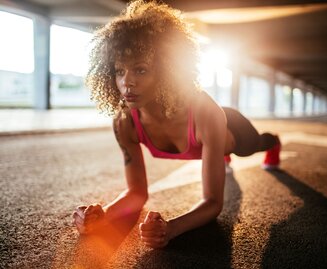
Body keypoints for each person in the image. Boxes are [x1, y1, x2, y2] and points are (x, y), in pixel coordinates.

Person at [72, 0, 281, 249]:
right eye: (119, 71)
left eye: (140, 70)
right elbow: (137, 194)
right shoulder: (124, 121)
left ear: (166, 70)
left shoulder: (207, 113)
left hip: (230, 126)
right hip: (209, 137)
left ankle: (272, 142)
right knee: (214, 153)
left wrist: (171, 228)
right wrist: (102, 215)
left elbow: (213, 203)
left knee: (254, 145)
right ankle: (215, 155)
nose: (127, 83)